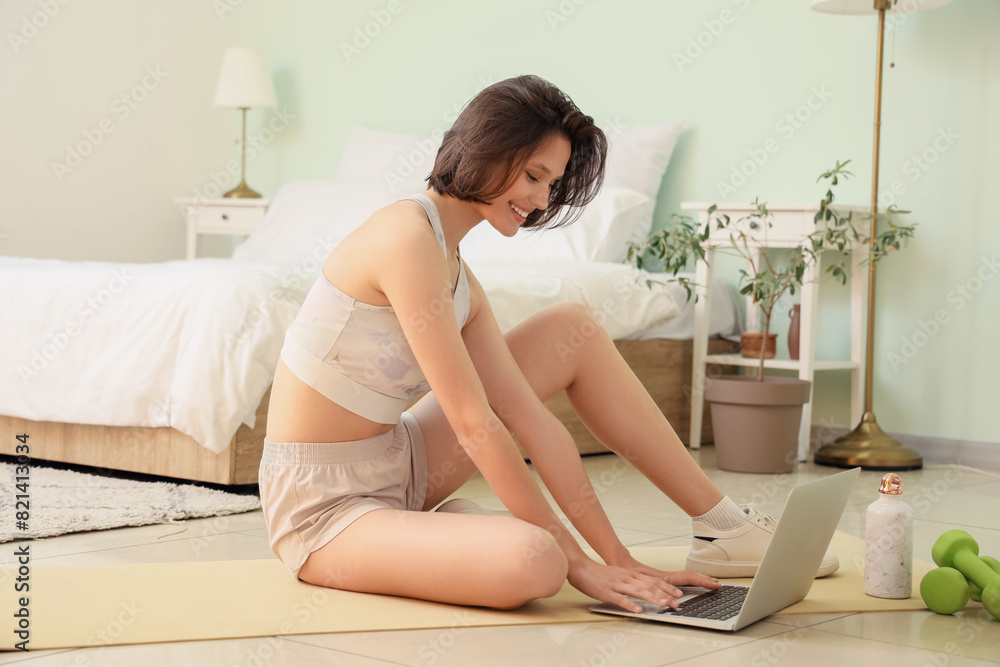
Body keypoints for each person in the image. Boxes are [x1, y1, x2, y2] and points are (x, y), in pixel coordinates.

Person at [260, 74, 838, 614]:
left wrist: (618, 559)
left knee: (571, 328)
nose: (542, 200)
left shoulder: (458, 271)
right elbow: (472, 421)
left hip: (402, 462)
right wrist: (579, 567)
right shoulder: (405, 238)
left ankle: (721, 528)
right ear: (488, 150)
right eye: (535, 176)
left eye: (553, 184)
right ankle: (452, 540)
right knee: (539, 564)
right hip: (324, 503)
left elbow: (533, 423)